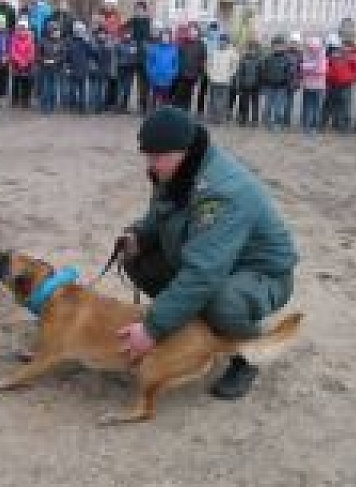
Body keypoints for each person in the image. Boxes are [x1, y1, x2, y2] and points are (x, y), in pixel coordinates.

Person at [117, 107, 298, 399]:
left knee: (216, 298)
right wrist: (137, 234)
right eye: (148, 157)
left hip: (262, 276)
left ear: (184, 151)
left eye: (157, 157)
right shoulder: (180, 171)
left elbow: (203, 273)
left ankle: (248, 353)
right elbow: (160, 215)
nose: (151, 166)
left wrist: (151, 329)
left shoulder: (222, 191)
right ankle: (189, 325)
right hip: (210, 262)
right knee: (137, 257)